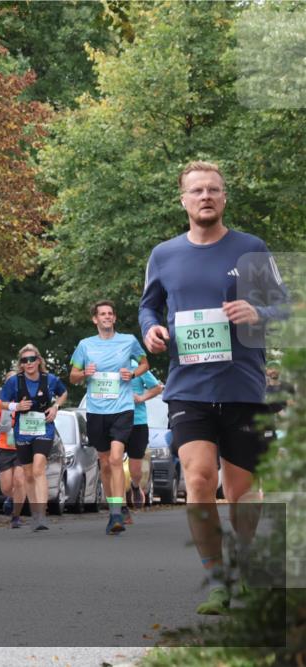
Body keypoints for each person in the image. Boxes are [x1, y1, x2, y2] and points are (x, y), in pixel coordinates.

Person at [139, 160, 288, 614]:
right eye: (197, 190)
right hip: (188, 386)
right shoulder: (164, 254)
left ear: (224, 198)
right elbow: (149, 309)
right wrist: (151, 332)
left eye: (214, 190)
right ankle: (218, 578)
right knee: (200, 479)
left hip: (243, 385)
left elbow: (284, 306)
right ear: (183, 199)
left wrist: (258, 312)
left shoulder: (251, 248)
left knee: (242, 492)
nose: (206, 196)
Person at [69, 301, 149, 534]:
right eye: (102, 314)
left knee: (115, 459)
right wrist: (84, 373)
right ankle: (115, 507)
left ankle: (115, 513)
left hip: (122, 408)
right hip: (96, 411)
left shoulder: (129, 341)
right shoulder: (85, 345)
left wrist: (133, 373)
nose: (106, 317)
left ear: (114, 319)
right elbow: (72, 376)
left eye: (110, 314)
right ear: (95, 319)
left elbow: (145, 363)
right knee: (104, 461)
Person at [0, 344, 68, 532]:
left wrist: (55, 407)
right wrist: (16, 407)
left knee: (38, 469)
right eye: (24, 361)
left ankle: (41, 513)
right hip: (23, 430)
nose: (28, 364)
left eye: (31, 359)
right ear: (21, 364)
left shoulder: (50, 379)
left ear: (38, 361)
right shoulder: (14, 382)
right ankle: (35, 513)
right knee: (28, 474)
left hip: (44, 428)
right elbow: (2, 402)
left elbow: (63, 393)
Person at [0, 371, 27, 528]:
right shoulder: (0, 403)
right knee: (6, 487)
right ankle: (10, 498)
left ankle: (16, 517)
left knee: (19, 480)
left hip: (22, 447)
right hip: (4, 447)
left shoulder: (27, 402)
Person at [126, 359, 164, 512]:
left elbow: (157, 388)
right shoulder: (105, 367)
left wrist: (141, 398)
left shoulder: (137, 367)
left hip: (137, 422)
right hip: (114, 420)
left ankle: (135, 486)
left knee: (135, 469)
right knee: (113, 461)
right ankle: (118, 508)